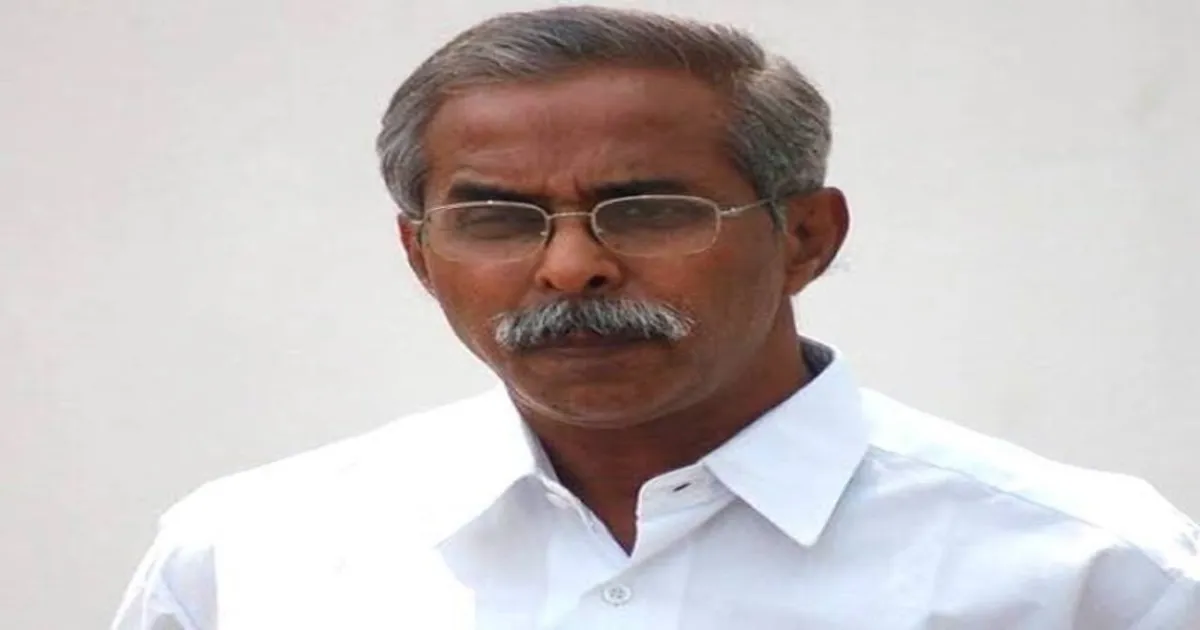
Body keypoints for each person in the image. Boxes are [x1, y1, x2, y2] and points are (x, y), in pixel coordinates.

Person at [112, 6, 1199, 629]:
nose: (572, 268)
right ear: (419, 256)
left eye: (647, 209)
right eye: (497, 219)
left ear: (806, 237)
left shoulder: (1082, 570)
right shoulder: (254, 557)